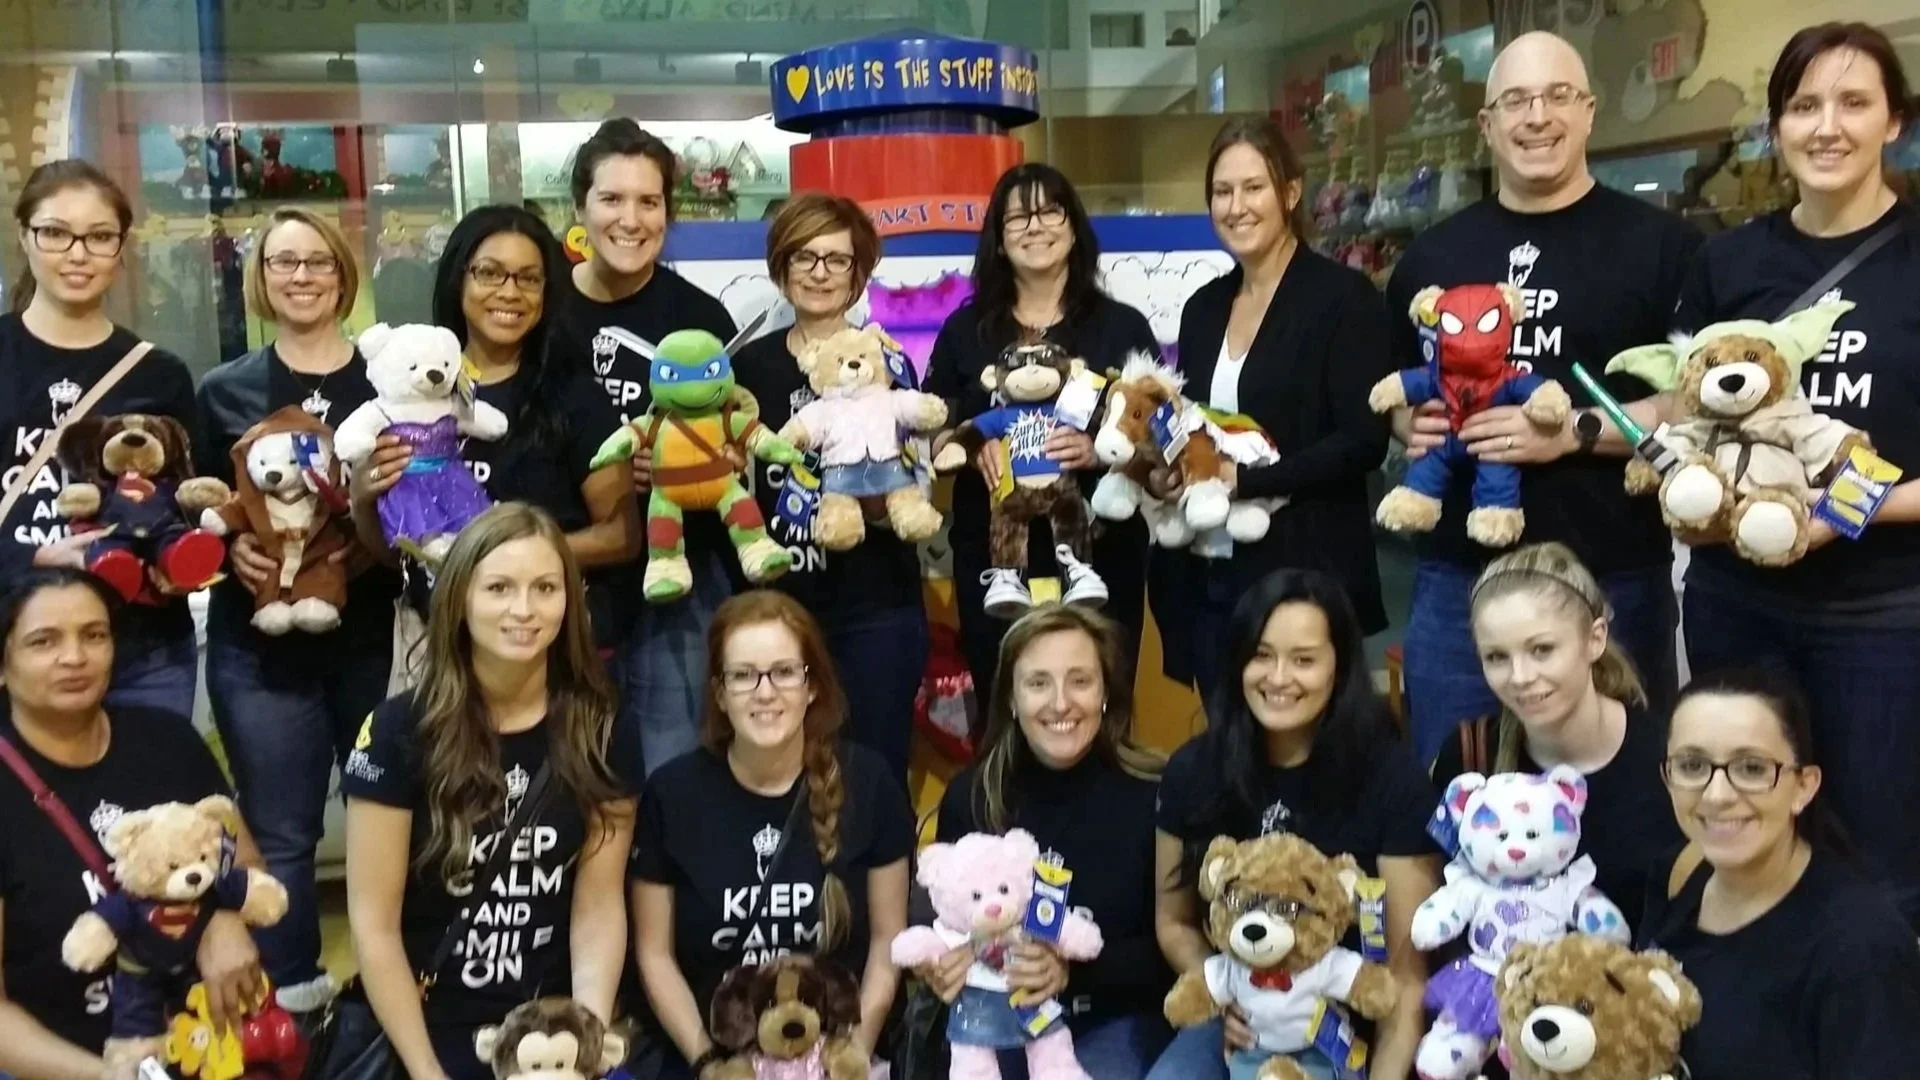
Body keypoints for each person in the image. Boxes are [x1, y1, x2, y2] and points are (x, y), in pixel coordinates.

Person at [1383, 30, 1702, 766]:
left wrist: (1573, 433)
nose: (1537, 117)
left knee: (1624, 792)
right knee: (1454, 785)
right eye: (1516, 100)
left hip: (1614, 573)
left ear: (1589, 112)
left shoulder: (1665, 248)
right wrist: (1416, 420)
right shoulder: (1432, 256)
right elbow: (1399, 396)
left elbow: (1695, 404)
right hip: (1460, 578)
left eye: (1558, 96)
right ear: (1487, 126)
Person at [1672, 20, 1920, 932]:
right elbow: (1689, 414)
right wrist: (1687, 490)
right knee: (1742, 825)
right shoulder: (1727, 264)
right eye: (1803, 105)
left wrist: (1839, 513)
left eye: (1854, 102)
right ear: (1775, 126)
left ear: (1895, 120)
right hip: (1739, 602)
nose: (1827, 126)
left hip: (1882, 617)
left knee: (1876, 850)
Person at [341, 503, 640, 1080]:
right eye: (499, 587)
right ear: (459, 600)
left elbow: (599, 906)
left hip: (551, 1025)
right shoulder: (399, 731)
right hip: (436, 1028)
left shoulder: (603, 726)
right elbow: (373, 927)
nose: (523, 609)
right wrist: (428, 1072)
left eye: (545, 587)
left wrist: (583, 1041)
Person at [194, 207, 396, 1020]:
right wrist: (226, 555)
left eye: (318, 261)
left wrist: (372, 536)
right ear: (260, 279)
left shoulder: (385, 379)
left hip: (376, 636)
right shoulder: (225, 390)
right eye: (284, 262)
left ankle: (402, 995)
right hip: (259, 646)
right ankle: (294, 1014)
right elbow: (201, 514)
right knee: (281, 834)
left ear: (344, 274)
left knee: (400, 816)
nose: (302, 275)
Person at [1148, 570, 1438, 1080]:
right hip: (1241, 1019)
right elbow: (1174, 922)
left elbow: (1406, 977)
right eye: (1261, 655)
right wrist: (1225, 997)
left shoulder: (1392, 779)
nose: (1278, 678)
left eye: (1303, 659)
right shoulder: (1195, 768)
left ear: (1339, 667)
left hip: (1349, 1030)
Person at [1156, 118, 1395, 701]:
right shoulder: (1204, 309)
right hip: (1213, 574)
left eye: (1253, 187)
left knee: (1317, 769)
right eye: (1222, 192)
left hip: (1306, 578)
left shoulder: (1343, 299)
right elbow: (1195, 428)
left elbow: (1364, 440)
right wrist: (1171, 468)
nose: (1236, 207)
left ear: (1290, 192)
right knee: (1230, 763)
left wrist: (1247, 479)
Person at [630, 589, 913, 1080]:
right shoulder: (671, 794)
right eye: (743, 676)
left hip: (838, 1056)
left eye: (784, 672)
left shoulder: (869, 781)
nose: (765, 692)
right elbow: (654, 954)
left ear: (813, 687)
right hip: (720, 1060)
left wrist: (849, 1062)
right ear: (719, 693)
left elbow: (889, 942)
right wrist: (707, 1063)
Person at [0, 569, 267, 1079]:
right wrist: (106, 1076)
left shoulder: (166, 740)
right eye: (43, 641)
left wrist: (224, 918)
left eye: (94, 635)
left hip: (199, 1039)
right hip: (63, 1061)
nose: (75, 657)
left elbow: (246, 860)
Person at [351, 205, 638, 676]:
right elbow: (394, 553)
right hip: (442, 649)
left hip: (549, 647)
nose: (510, 291)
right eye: (489, 273)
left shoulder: (574, 395)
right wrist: (363, 501)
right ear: (458, 279)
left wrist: (507, 558)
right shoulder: (401, 392)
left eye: (529, 278)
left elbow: (622, 535)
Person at [926, 163, 1156, 709]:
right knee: (1005, 706)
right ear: (999, 240)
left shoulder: (1120, 327)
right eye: (1018, 216)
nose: (1036, 226)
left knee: (1099, 704)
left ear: (1074, 226)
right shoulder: (966, 331)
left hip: (1100, 554)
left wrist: (1099, 449)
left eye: (1050, 211)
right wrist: (970, 443)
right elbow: (933, 432)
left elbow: (1159, 438)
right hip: (995, 553)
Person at [554, 118, 740, 777]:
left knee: (670, 771)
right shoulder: (542, 312)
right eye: (611, 199)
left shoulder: (703, 321)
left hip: (679, 581)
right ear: (579, 207)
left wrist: (709, 461)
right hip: (563, 582)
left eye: (649, 201)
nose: (630, 219)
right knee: (568, 773)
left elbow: (737, 446)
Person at [730, 193, 928, 784]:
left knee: (875, 773)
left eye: (837, 260)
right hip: (779, 609)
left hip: (877, 607)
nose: (820, 272)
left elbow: (914, 484)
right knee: (781, 775)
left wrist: (870, 489)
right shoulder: (748, 368)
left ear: (859, 273)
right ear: (781, 267)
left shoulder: (888, 362)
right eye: (805, 256)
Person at [1637, 668, 1920, 1078]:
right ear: (1667, 777)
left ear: (1804, 786)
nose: (1717, 795)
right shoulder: (1679, 871)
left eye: (1751, 768)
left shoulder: (1859, 949)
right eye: (1692, 765)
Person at [931, 604, 1171, 1079]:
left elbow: (1174, 948)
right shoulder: (972, 796)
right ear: (1012, 701)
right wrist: (944, 965)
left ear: (1106, 693)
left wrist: (1070, 970)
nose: (1060, 703)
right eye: (1038, 683)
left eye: (1080, 680)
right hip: (994, 1022)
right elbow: (952, 925)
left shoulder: (1156, 792)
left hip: (1112, 1019)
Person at [0, 161, 202, 720]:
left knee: (149, 801)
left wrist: (177, 562)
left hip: (141, 643)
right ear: (25, 236)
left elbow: (184, 500)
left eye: (99, 237)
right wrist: (35, 554)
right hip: (13, 634)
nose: (78, 253)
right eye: (56, 233)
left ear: (121, 248)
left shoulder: (159, 373)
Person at [1429, 542, 1678, 931]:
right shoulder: (1468, 759)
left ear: (1595, 639)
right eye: (1497, 657)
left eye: (1542, 649)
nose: (1520, 676)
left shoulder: (1668, 759)